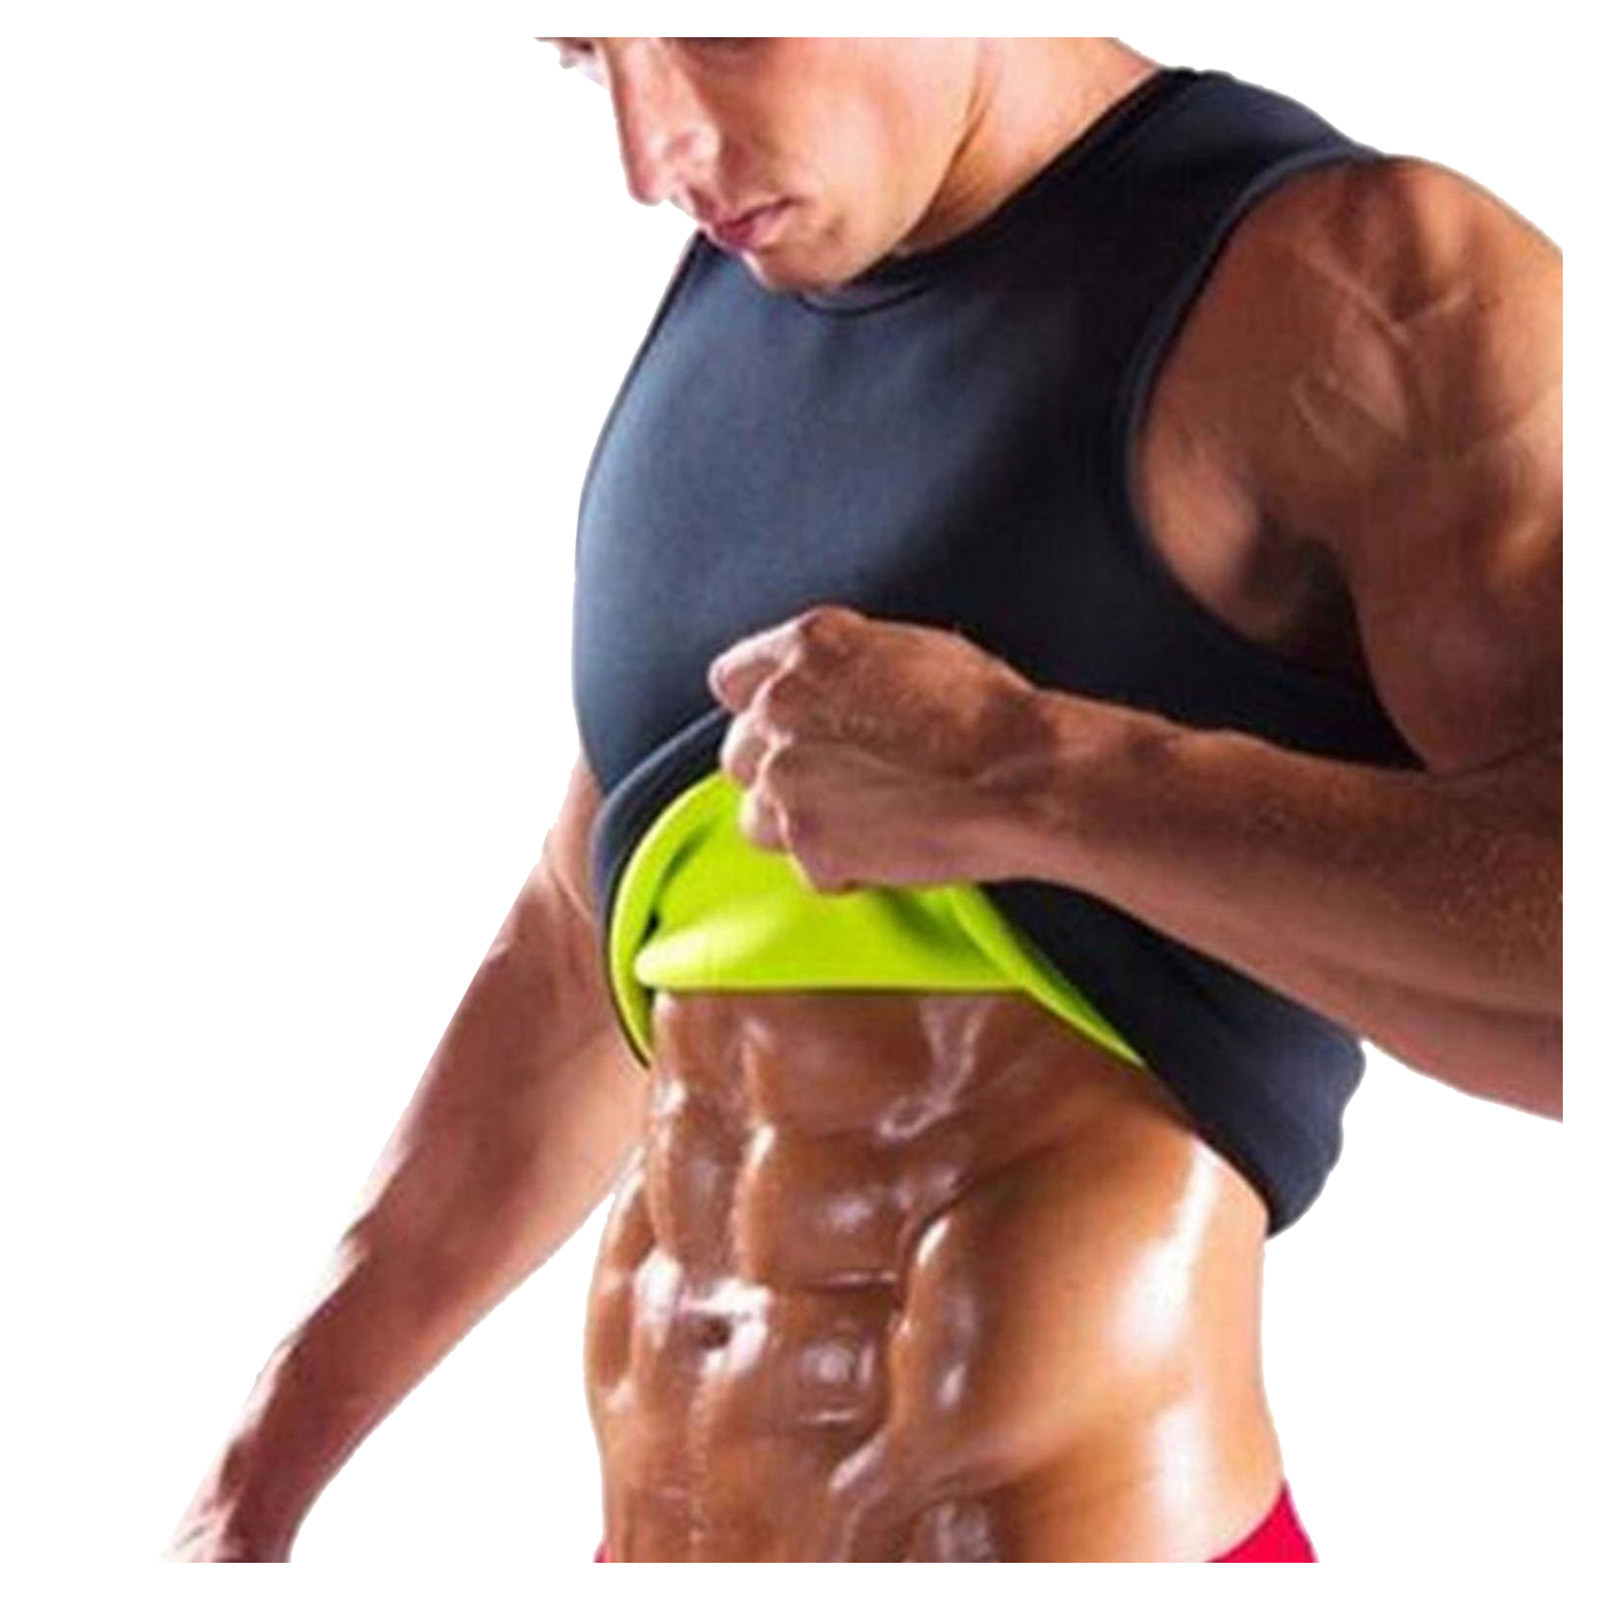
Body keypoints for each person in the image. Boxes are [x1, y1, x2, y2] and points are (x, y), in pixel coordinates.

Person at [164, 37, 1560, 1562]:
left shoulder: (1369, 285)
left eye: (715, 30)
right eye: (589, 52)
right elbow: (576, 956)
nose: (648, 153)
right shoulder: (724, 301)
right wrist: (246, 1494)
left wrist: (1036, 777)